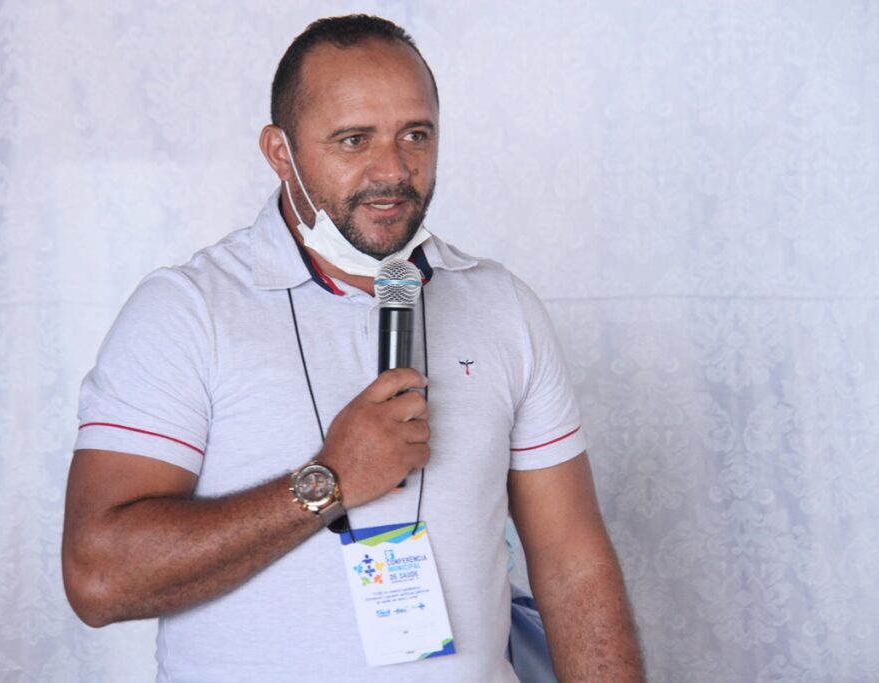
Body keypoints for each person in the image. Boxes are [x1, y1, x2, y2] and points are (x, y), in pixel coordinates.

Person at [62, 14, 643, 683]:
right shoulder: (187, 310)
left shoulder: (501, 304)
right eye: (353, 139)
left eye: (415, 135)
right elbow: (98, 578)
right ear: (280, 152)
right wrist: (327, 482)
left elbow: (572, 561)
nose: (392, 169)